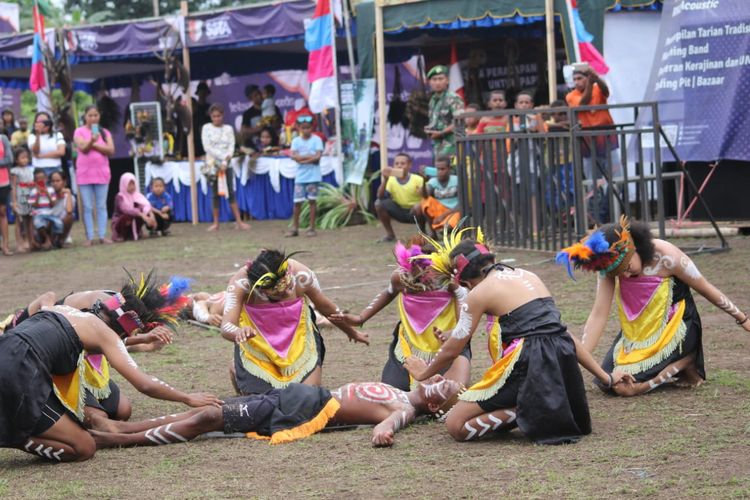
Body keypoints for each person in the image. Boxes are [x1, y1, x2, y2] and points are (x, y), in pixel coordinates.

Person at [403, 228, 632, 444]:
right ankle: (541, 405)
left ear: (465, 281)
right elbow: (562, 335)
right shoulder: (529, 275)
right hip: (560, 366)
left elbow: (454, 348)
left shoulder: (480, 292)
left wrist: (423, 372)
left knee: (456, 424)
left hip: (529, 362)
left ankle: (532, 409)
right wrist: (606, 377)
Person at [0, 275, 221, 462]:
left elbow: (47, 297)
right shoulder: (104, 332)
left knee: (119, 410)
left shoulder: (69, 308)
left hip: (14, 355)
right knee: (84, 447)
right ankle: (11, 433)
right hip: (21, 371)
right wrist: (187, 397)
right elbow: (143, 383)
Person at [557, 216, 750, 397]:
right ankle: (675, 365)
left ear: (634, 247)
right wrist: (580, 360)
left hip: (675, 328)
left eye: (626, 267)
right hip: (638, 334)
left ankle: (686, 359)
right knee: (606, 381)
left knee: (626, 388)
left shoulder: (667, 255)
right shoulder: (610, 267)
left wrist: (743, 318)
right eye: (618, 273)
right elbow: (599, 314)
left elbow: (705, 288)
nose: (624, 276)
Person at [90, 375, 463, 448]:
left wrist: (385, 432)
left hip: (302, 410)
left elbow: (391, 422)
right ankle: (124, 429)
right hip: (298, 397)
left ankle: (118, 438)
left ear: (432, 404)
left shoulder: (402, 406)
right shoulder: (402, 388)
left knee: (206, 419)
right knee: (214, 409)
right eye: (443, 380)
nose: (439, 381)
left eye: (441, 388)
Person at [221, 249, 369, 395]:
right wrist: (238, 332)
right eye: (278, 293)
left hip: (299, 336)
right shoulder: (242, 283)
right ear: (261, 289)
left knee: (307, 396)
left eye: (288, 286)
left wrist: (352, 332)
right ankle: (239, 367)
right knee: (263, 400)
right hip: (258, 340)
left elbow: (325, 306)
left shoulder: (301, 275)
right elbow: (226, 326)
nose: (286, 292)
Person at [331, 237, 471, 390]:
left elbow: (465, 311)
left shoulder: (447, 279)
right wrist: (361, 318)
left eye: (428, 271)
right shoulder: (401, 277)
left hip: (448, 341)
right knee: (394, 391)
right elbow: (389, 292)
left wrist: (455, 332)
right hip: (410, 342)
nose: (424, 278)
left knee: (449, 394)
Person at [565, 65, 620, 225]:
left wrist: (597, 78)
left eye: (580, 78)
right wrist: (590, 82)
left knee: (616, 178)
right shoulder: (571, 96)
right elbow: (583, 103)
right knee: (592, 181)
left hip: (606, 136)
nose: (577, 82)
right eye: (574, 79)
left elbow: (606, 91)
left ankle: (615, 215)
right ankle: (598, 220)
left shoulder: (597, 87)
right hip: (588, 141)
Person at [201, 103, 250, 232]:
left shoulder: (228, 129)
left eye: (219, 116)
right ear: (211, 117)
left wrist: (225, 161)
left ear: (222, 116)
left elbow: (231, 146)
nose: (217, 118)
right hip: (212, 165)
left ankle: (239, 222)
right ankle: (216, 223)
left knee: (230, 192)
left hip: (226, 165)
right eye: (214, 116)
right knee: (214, 193)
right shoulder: (206, 128)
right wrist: (221, 160)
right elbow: (207, 147)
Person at [74, 105, 115, 246]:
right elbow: (83, 148)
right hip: (84, 175)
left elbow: (110, 150)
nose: (93, 118)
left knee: (101, 206)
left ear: (99, 116)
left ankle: (102, 235)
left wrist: (94, 145)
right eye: (90, 115)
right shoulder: (79, 131)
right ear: (85, 116)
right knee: (87, 206)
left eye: (95, 115)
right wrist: (92, 141)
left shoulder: (105, 132)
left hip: (102, 173)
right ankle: (90, 237)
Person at [286, 115, 324, 237]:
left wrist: (301, 159)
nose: (306, 130)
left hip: (313, 176)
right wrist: (310, 157)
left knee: (312, 201)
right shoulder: (296, 141)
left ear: (312, 127)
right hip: (301, 177)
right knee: (297, 202)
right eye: (303, 128)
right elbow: (294, 157)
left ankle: (312, 228)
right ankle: (295, 228)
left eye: (308, 128)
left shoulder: (317, 140)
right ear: (299, 128)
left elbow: (318, 157)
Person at [374, 153, 425, 242]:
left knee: (420, 206)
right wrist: (385, 180)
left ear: (409, 165)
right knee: (378, 203)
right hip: (400, 211)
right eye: (396, 163)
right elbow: (380, 196)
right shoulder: (391, 180)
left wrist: (420, 204)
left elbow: (427, 197)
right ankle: (390, 235)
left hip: (416, 212)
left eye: (402, 163)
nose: (399, 166)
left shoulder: (417, 179)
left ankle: (423, 233)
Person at [425, 65, 464, 158]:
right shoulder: (432, 100)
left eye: (440, 79)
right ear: (429, 82)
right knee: (438, 171)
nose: (437, 82)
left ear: (447, 80)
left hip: (452, 144)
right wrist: (429, 130)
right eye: (434, 79)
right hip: (437, 144)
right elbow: (435, 122)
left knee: (451, 171)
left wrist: (441, 132)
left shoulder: (453, 98)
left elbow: (460, 121)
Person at [420, 155, 460, 235]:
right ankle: (433, 233)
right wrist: (424, 181)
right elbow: (425, 196)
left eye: (442, 169)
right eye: (437, 169)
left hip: (454, 211)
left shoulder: (456, 180)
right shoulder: (432, 181)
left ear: (449, 169)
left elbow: (462, 202)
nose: (440, 172)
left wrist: (443, 216)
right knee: (424, 202)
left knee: (448, 227)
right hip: (439, 210)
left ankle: (448, 229)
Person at [111, 173, 157, 242]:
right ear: (124, 184)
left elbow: (145, 205)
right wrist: (141, 214)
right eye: (129, 184)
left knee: (146, 213)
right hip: (120, 224)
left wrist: (151, 215)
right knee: (127, 217)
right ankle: (121, 235)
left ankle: (135, 233)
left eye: (133, 184)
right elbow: (125, 209)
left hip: (133, 220)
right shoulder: (120, 197)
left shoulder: (137, 195)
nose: (132, 186)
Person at [28, 168, 58, 250]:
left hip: (49, 211)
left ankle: (51, 241)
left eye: (42, 178)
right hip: (38, 212)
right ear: (35, 181)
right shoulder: (33, 191)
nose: (41, 180)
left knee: (57, 223)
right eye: (38, 179)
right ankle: (47, 240)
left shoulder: (51, 190)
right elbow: (34, 205)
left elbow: (53, 204)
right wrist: (38, 194)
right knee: (37, 221)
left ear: (46, 179)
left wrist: (47, 193)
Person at [10, 147, 34, 252]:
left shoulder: (30, 169)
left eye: (26, 157)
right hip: (20, 197)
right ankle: (19, 244)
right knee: (19, 221)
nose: (25, 160)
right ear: (16, 160)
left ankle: (29, 241)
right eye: (22, 158)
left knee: (29, 220)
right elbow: (14, 187)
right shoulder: (15, 171)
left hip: (29, 197)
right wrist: (14, 201)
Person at [28, 112, 66, 177]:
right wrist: (38, 135)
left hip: (55, 168)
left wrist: (41, 156)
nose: (43, 124)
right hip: (39, 169)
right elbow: (35, 151)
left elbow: (61, 152)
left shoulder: (57, 135)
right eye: (40, 122)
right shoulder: (32, 136)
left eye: (45, 122)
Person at [48, 170, 75, 248]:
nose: (55, 183)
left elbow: (69, 211)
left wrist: (68, 193)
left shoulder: (70, 197)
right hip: (49, 225)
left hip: (60, 224)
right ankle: (49, 240)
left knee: (70, 216)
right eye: (53, 181)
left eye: (58, 181)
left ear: (64, 182)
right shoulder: (48, 195)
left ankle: (61, 240)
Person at [191, 81, 212, 158]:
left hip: (207, 137)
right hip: (195, 137)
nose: (202, 94)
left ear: (207, 93)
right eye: (201, 91)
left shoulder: (210, 108)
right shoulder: (193, 107)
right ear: (198, 93)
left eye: (204, 92)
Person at [0, 132, 12, 256]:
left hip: (3, 182)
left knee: (3, 212)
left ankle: (6, 245)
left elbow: (9, 159)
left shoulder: (3, 138)